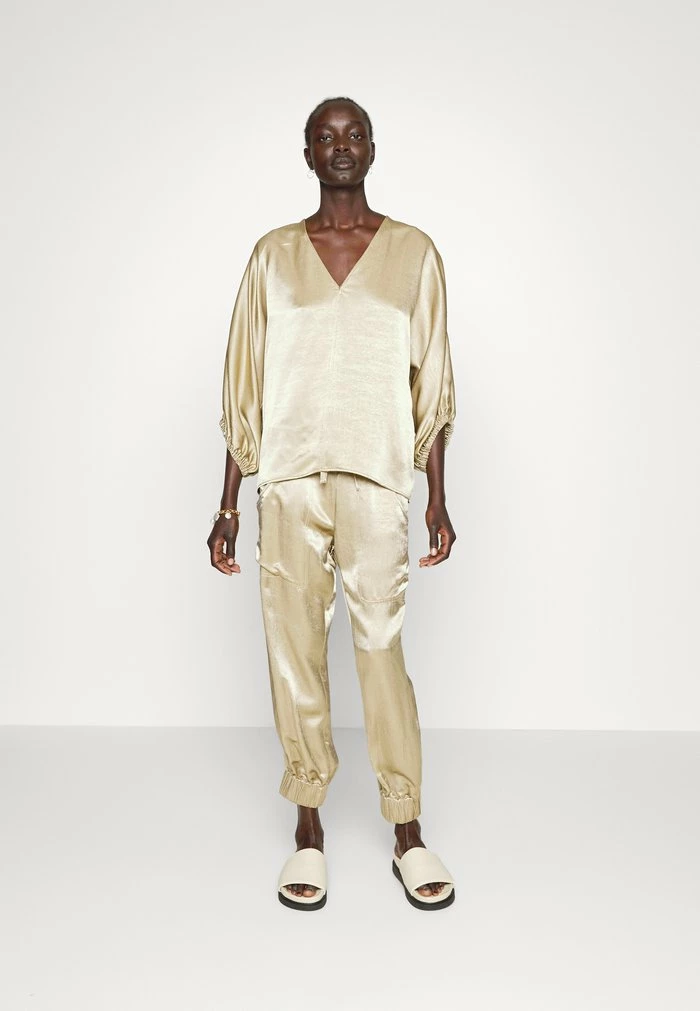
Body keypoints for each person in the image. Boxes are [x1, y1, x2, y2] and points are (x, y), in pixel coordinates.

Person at [207, 96, 457, 911]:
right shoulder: (273, 257)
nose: (341, 147)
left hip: (377, 479)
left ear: (373, 149)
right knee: (294, 650)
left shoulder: (414, 253)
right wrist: (228, 504)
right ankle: (308, 823)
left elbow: (433, 380)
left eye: (354, 135)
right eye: (326, 137)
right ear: (308, 154)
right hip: (288, 482)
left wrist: (437, 496)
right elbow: (245, 383)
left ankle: (406, 825)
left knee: (380, 646)